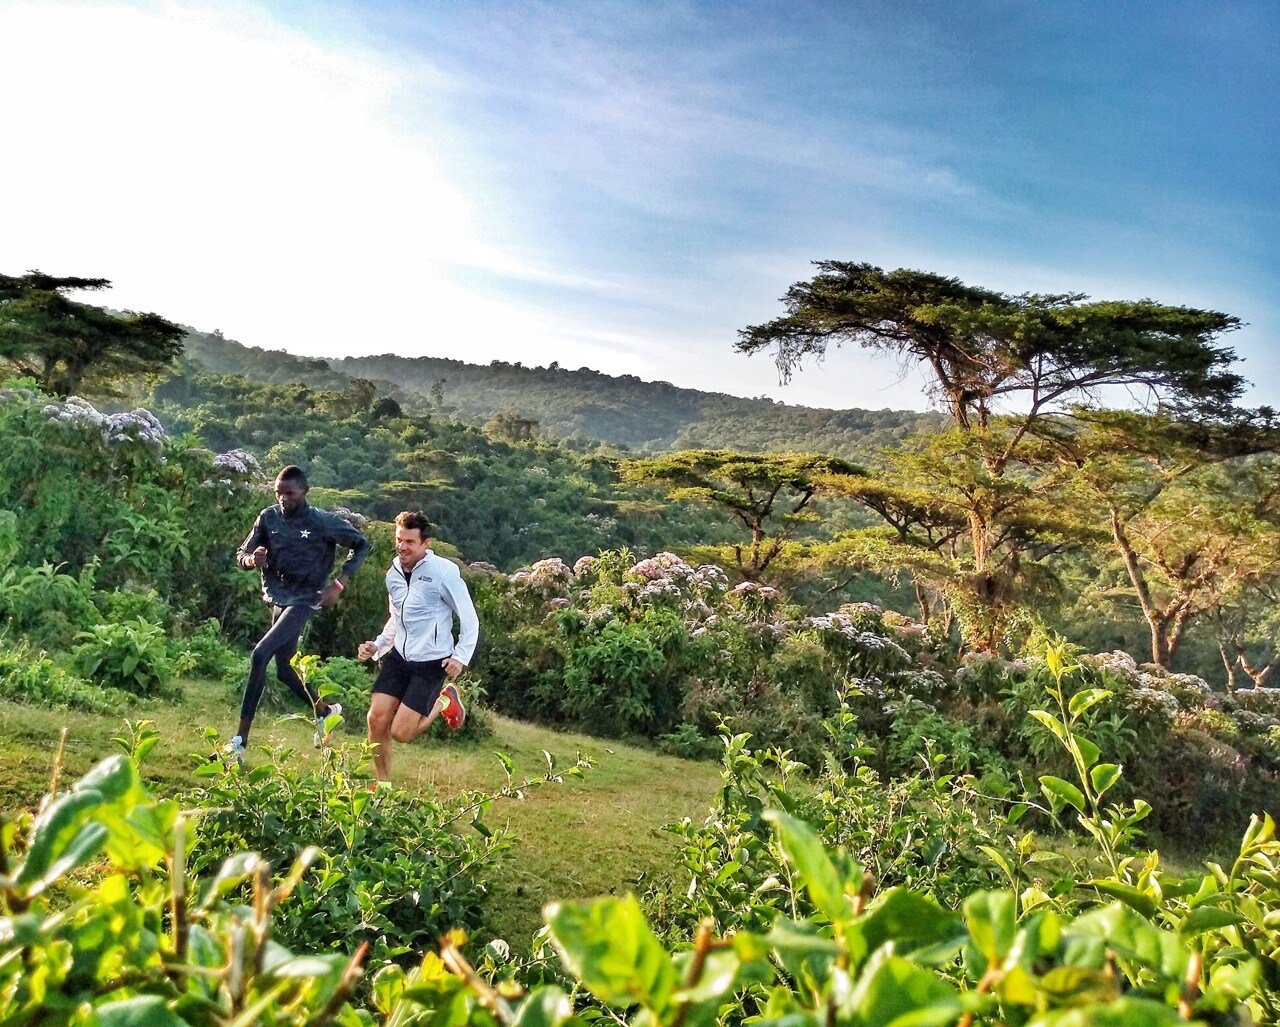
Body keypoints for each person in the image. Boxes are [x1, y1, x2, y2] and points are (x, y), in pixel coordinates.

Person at [225, 465, 369, 765]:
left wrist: (339, 584)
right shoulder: (268, 517)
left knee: (259, 654)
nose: (282, 498)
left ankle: (239, 742)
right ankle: (326, 712)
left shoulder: (321, 521)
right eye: (278, 492)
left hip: (306, 599)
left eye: (289, 493)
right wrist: (253, 560)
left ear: (304, 492)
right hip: (278, 595)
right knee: (284, 671)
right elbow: (243, 553)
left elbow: (361, 544)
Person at [357, 510, 478, 783]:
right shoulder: (393, 574)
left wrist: (460, 656)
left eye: (410, 541)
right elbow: (396, 619)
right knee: (376, 720)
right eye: (400, 539)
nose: (403, 547)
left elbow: (469, 618)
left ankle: (445, 700)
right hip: (400, 656)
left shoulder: (444, 572)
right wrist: (377, 646)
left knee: (402, 733)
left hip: (431, 662)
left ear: (425, 543)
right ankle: (384, 785)